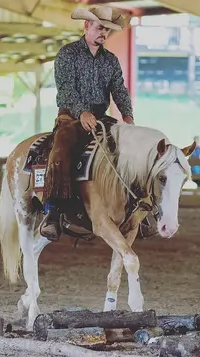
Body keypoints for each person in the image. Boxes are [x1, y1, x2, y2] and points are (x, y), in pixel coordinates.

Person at [39, 6, 134, 241]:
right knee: (61, 148)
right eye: (100, 28)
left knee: (125, 147)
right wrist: (81, 112)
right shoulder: (67, 54)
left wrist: (128, 116)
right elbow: (66, 89)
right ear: (87, 26)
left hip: (100, 117)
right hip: (70, 116)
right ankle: (52, 210)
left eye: (107, 30)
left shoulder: (110, 60)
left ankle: (134, 206)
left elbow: (119, 90)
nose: (104, 33)